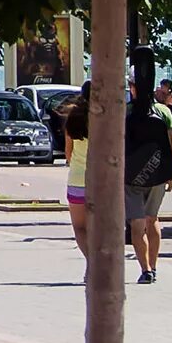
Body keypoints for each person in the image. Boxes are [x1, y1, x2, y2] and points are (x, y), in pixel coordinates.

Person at [127, 79, 172, 284]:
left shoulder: (126, 111)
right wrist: (170, 174)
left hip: (131, 175)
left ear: (133, 88)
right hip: (157, 172)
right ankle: (154, 266)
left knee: (137, 222)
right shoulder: (164, 112)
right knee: (152, 219)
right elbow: (171, 146)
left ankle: (145, 269)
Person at [61, 95, 93, 256]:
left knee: (80, 227)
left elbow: (68, 152)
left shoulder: (73, 120)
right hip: (101, 180)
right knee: (99, 226)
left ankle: (90, 261)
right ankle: (98, 260)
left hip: (77, 179)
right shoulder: (105, 118)